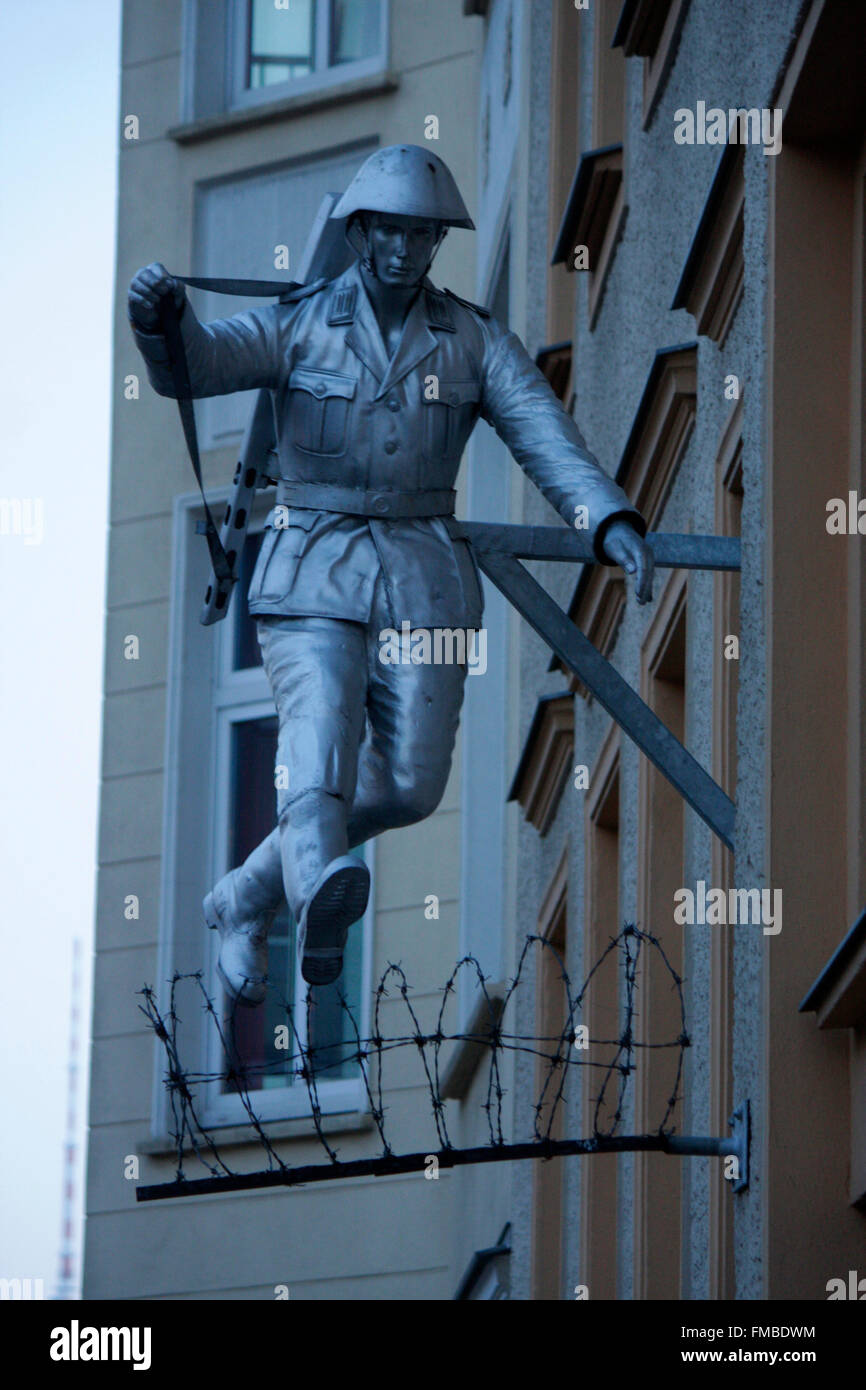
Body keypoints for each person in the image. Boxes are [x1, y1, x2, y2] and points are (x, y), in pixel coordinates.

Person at [128, 145, 653, 1004]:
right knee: (319, 737)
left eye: (425, 235)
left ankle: (242, 901)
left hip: (423, 569)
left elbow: (542, 431)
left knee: (409, 783)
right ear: (362, 233)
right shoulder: (300, 323)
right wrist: (161, 320)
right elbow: (199, 365)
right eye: (394, 233)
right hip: (314, 563)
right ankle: (313, 898)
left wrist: (608, 519)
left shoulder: (473, 338)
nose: (409, 251)